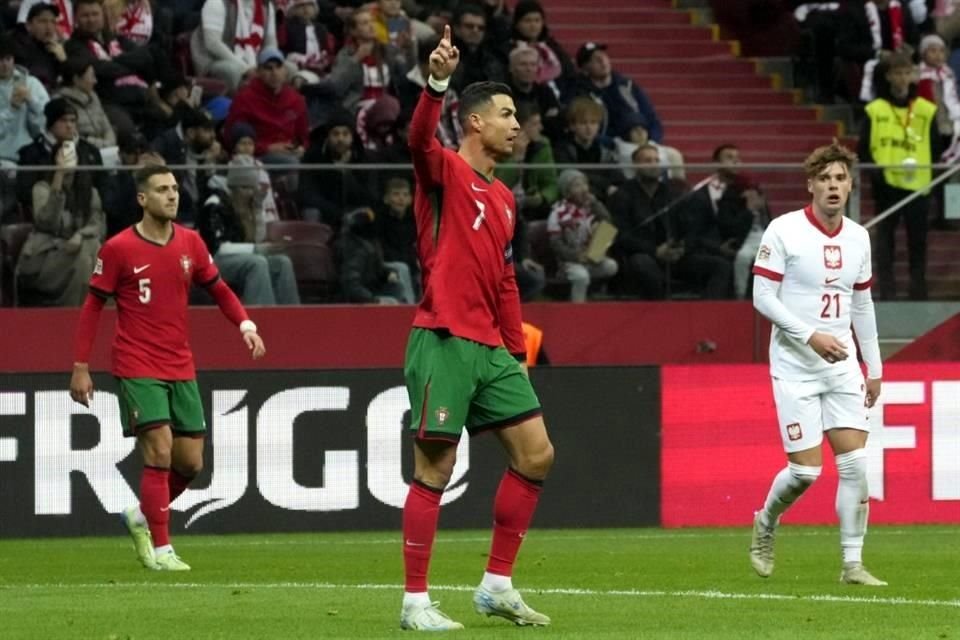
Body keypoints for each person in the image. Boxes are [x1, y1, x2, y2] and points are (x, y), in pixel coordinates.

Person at [399, 26, 553, 631]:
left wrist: (516, 350)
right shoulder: (440, 172)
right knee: (434, 469)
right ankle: (414, 603)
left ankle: (496, 585)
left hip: (491, 346)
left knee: (537, 454)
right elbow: (417, 137)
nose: (517, 124)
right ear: (473, 123)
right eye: (507, 114)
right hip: (442, 337)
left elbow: (507, 281)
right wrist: (436, 81)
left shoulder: (507, 199)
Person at [69, 165, 266, 571]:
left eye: (174, 188)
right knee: (158, 449)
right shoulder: (119, 248)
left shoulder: (190, 243)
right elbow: (93, 307)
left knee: (190, 463)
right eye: (161, 189)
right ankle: (162, 549)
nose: (172, 195)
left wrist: (245, 324)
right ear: (143, 199)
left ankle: (142, 515)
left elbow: (220, 289)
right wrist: (80, 365)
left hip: (180, 363)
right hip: (137, 363)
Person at [749, 142, 885, 587]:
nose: (832, 185)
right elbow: (762, 297)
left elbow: (862, 304)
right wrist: (809, 335)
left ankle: (852, 564)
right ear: (810, 184)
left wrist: (875, 366)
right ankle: (766, 520)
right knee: (806, 472)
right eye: (824, 178)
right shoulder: (784, 230)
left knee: (855, 466)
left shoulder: (859, 237)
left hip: (842, 365)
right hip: (795, 365)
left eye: (840, 178)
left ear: (850, 186)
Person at [859, 53, 940, 300]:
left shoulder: (927, 110)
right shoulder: (875, 109)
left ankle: (918, 292)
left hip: (918, 185)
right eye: (897, 73)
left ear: (913, 76)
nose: (902, 78)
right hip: (887, 185)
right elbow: (863, 148)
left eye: (906, 73)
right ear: (888, 76)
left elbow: (935, 147)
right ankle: (888, 292)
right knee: (886, 242)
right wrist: (877, 176)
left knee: (918, 241)